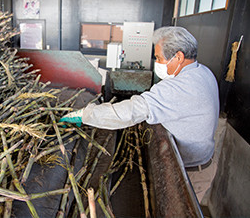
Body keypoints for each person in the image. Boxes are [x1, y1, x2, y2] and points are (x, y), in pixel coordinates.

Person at [60, 26, 220, 204]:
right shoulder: (203, 72)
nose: (157, 62)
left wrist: (84, 114)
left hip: (191, 172)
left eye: (159, 58)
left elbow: (129, 112)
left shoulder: (179, 87)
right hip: (204, 162)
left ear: (179, 57)